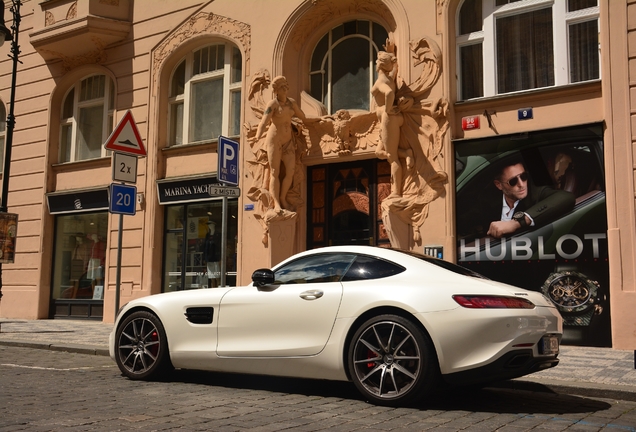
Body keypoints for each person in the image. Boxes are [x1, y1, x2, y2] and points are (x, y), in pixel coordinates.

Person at [461, 159, 575, 239]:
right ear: (498, 185)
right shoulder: (488, 200)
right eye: (513, 181)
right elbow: (465, 220)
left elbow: (566, 197)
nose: (521, 184)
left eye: (524, 177)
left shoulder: (535, 193)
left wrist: (517, 223)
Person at [253, 75, 318, 213]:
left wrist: (319, 120)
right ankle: (276, 202)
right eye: (283, 87)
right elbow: (264, 122)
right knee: (275, 172)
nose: (286, 89)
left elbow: (304, 117)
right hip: (274, 141)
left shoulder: (291, 103)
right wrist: (257, 137)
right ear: (276, 90)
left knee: (291, 171)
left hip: (288, 141)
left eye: (287, 86)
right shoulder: (273, 105)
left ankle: (282, 198)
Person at [372, 45, 413, 198]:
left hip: (389, 119)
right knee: (378, 152)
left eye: (377, 61)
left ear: (380, 64)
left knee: (392, 157)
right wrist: (392, 55)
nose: (375, 63)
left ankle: (396, 192)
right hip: (390, 119)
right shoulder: (389, 78)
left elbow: (389, 93)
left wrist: (388, 110)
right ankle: (407, 154)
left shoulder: (382, 82)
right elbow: (394, 71)